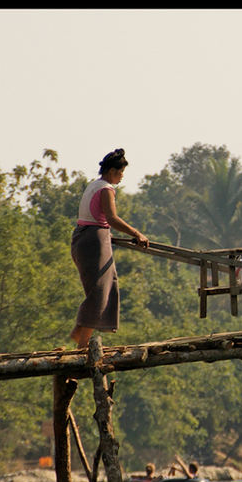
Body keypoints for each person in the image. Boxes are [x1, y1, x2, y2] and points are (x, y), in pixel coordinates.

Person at [70, 148, 149, 348]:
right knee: (100, 290)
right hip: (94, 241)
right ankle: (82, 342)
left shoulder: (94, 185)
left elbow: (94, 218)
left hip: (84, 237)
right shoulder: (106, 189)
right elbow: (112, 218)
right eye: (121, 173)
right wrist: (136, 234)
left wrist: (106, 233)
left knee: (108, 282)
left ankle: (81, 333)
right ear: (112, 171)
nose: (122, 177)